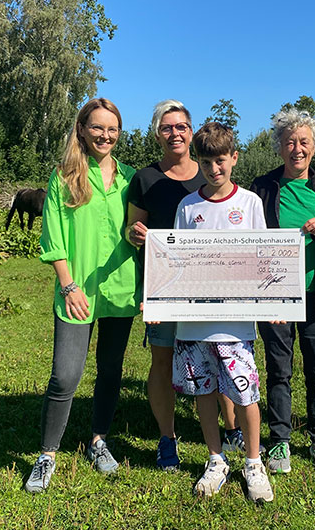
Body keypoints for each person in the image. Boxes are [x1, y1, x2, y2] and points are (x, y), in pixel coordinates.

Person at [25, 98, 140, 493]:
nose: (105, 135)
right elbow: (53, 238)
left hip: (120, 290)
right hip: (76, 292)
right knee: (65, 375)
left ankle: (98, 440)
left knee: (110, 371)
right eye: (97, 128)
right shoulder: (63, 177)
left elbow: (134, 232)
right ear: (82, 129)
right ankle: (47, 454)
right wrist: (68, 285)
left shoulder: (130, 178)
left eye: (112, 129)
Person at [125, 101, 245, 470]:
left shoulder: (211, 171)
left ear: (191, 132)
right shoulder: (145, 179)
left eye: (181, 126)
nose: (175, 133)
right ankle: (167, 438)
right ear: (157, 133)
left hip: (215, 294)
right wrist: (136, 235)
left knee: (221, 358)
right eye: (167, 127)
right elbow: (131, 232)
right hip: (165, 291)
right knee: (161, 362)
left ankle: (232, 429)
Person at [171, 122, 273, 502]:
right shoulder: (187, 206)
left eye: (221, 160)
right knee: (203, 391)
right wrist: (160, 300)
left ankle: (253, 462)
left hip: (236, 323)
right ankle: (216, 460)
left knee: (246, 395)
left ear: (234, 157)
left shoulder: (249, 203)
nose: (215, 169)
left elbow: (264, 259)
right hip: (194, 325)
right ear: (198, 162)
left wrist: (273, 303)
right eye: (206, 161)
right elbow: (175, 263)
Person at [251, 109, 315, 476]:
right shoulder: (261, 188)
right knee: (279, 369)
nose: (297, 148)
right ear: (279, 146)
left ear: (314, 147)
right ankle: (279, 439)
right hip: (274, 295)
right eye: (290, 141)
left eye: (304, 142)